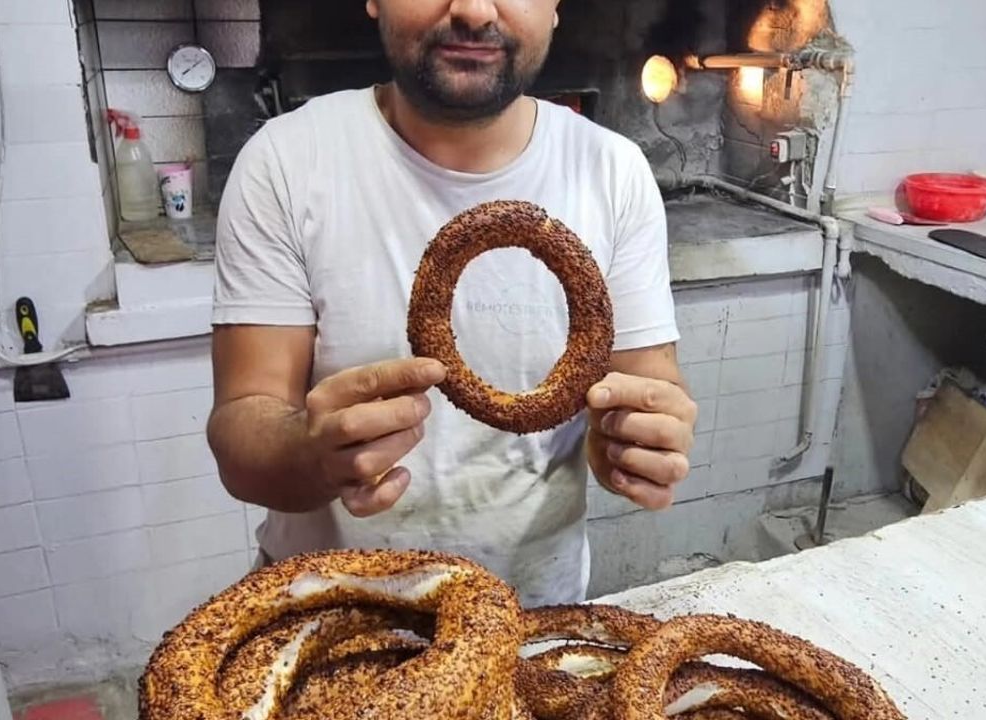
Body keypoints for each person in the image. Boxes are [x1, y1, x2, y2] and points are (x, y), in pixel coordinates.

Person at [206, 0, 697, 607]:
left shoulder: (614, 170)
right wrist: (309, 454)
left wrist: (637, 439)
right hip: (327, 609)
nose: (472, 10)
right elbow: (240, 434)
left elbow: (648, 383)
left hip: (529, 612)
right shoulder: (286, 160)